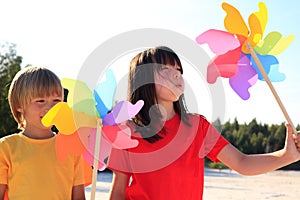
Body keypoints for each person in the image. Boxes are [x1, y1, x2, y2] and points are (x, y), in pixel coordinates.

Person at [107, 46, 300, 200]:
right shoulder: (127, 132)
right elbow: (118, 192)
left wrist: (286, 156)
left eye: (178, 70)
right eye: (165, 69)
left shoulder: (197, 127)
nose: (176, 74)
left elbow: (242, 162)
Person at [0, 66, 89, 200]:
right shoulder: (6, 148)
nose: (50, 108)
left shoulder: (72, 148)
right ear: (19, 105)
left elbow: (78, 196)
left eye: (56, 101)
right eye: (40, 101)